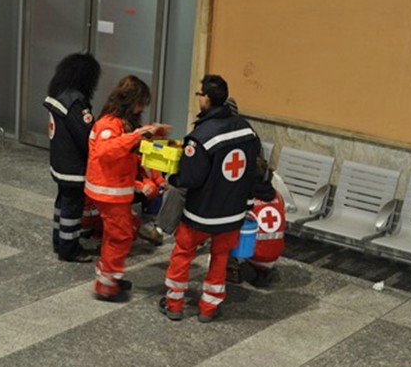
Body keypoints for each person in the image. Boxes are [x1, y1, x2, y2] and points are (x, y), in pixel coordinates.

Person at [160, 75, 261, 322]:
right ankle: (209, 308)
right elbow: (253, 172)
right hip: (233, 213)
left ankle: (174, 305)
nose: (198, 99)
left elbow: (190, 178)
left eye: (199, 94)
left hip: (201, 213)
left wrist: (170, 178)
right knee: (220, 258)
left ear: (206, 98)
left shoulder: (201, 136)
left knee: (183, 254)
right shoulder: (247, 130)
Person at [86, 75, 170, 301]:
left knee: (116, 235)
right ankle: (106, 285)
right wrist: (135, 136)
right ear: (130, 101)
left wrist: (152, 133)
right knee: (120, 237)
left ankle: (109, 276)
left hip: (115, 190)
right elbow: (107, 151)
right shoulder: (108, 124)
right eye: (140, 102)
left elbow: (131, 151)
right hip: (109, 191)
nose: (141, 107)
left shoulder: (121, 123)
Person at [45, 53, 101, 263]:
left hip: (59, 161)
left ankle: (58, 240)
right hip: (73, 165)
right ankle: (69, 249)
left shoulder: (57, 93)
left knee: (62, 202)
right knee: (72, 206)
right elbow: (87, 135)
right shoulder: (75, 102)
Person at [242, 153, 287, 287]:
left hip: (253, 255)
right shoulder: (278, 196)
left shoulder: (248, 200)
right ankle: (263, 271)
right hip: (275, 254)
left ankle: (246, 270)